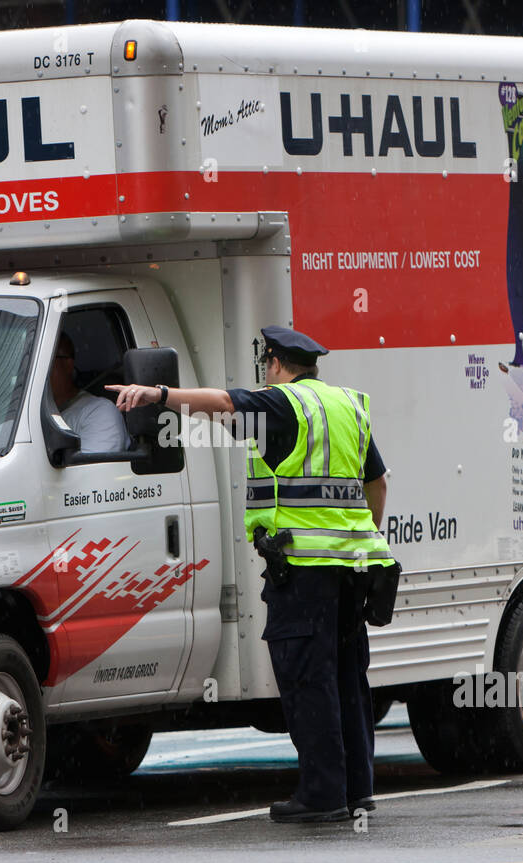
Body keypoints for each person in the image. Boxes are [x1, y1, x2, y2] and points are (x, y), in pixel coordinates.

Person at [109, 325, 394, 822]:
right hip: (353, 568)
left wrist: (159, 394)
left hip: (303, 571)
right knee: (347, 677)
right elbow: (378, 484)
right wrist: (361, 537)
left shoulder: (285, 405)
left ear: (278, 365)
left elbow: (222, 402)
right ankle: (356, 790)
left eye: (267, 367)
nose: (265, 376)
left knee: (309, 679)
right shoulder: (347, 405)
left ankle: (323, 795)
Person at [51, 332, 130, 454]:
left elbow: (94, 471)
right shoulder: (23, 416)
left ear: (68, 364)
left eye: (47, 360)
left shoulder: (99, 412)